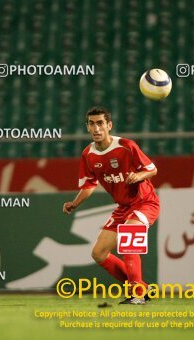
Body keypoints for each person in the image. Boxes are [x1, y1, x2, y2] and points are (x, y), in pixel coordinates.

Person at [62, 107, 159, 305]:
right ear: (87, 127)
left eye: (100, 123)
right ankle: (142, 288)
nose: (96, 128)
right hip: (123, 207)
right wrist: (75, 203)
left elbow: (152, 169)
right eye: (91, 123)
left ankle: (137, 295)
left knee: (129, 238)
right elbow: (89, 184)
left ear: (109, 125)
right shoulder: (88, 154)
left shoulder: (126, 145)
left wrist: (138, 175)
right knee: (98, 253)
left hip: (145, 202)